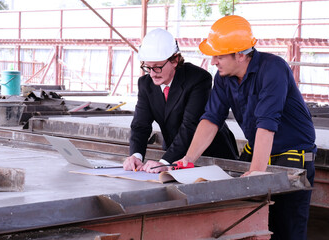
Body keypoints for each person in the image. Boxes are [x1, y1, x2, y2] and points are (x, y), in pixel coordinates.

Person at [178, 15, 316, 240]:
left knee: (286, 231)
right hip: (258, 152)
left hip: (292, 157)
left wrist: (256, 174)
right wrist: (187, 159)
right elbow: (211, 118)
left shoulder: (273, 69)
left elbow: (267, 125)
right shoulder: (224, 76)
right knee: (246, 227)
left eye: (219, 55)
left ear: (240, 55)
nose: (214, 61)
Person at [123, 28, 239, 173]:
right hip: (174, 154)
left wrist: (164, 162)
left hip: (211, 155)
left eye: (157, 67)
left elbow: (190, 126)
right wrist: (136, 156)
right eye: (147, 67)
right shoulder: (145, 84)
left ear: (175, 60)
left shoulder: (198, 79)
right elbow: (140, 125)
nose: (152, 73)